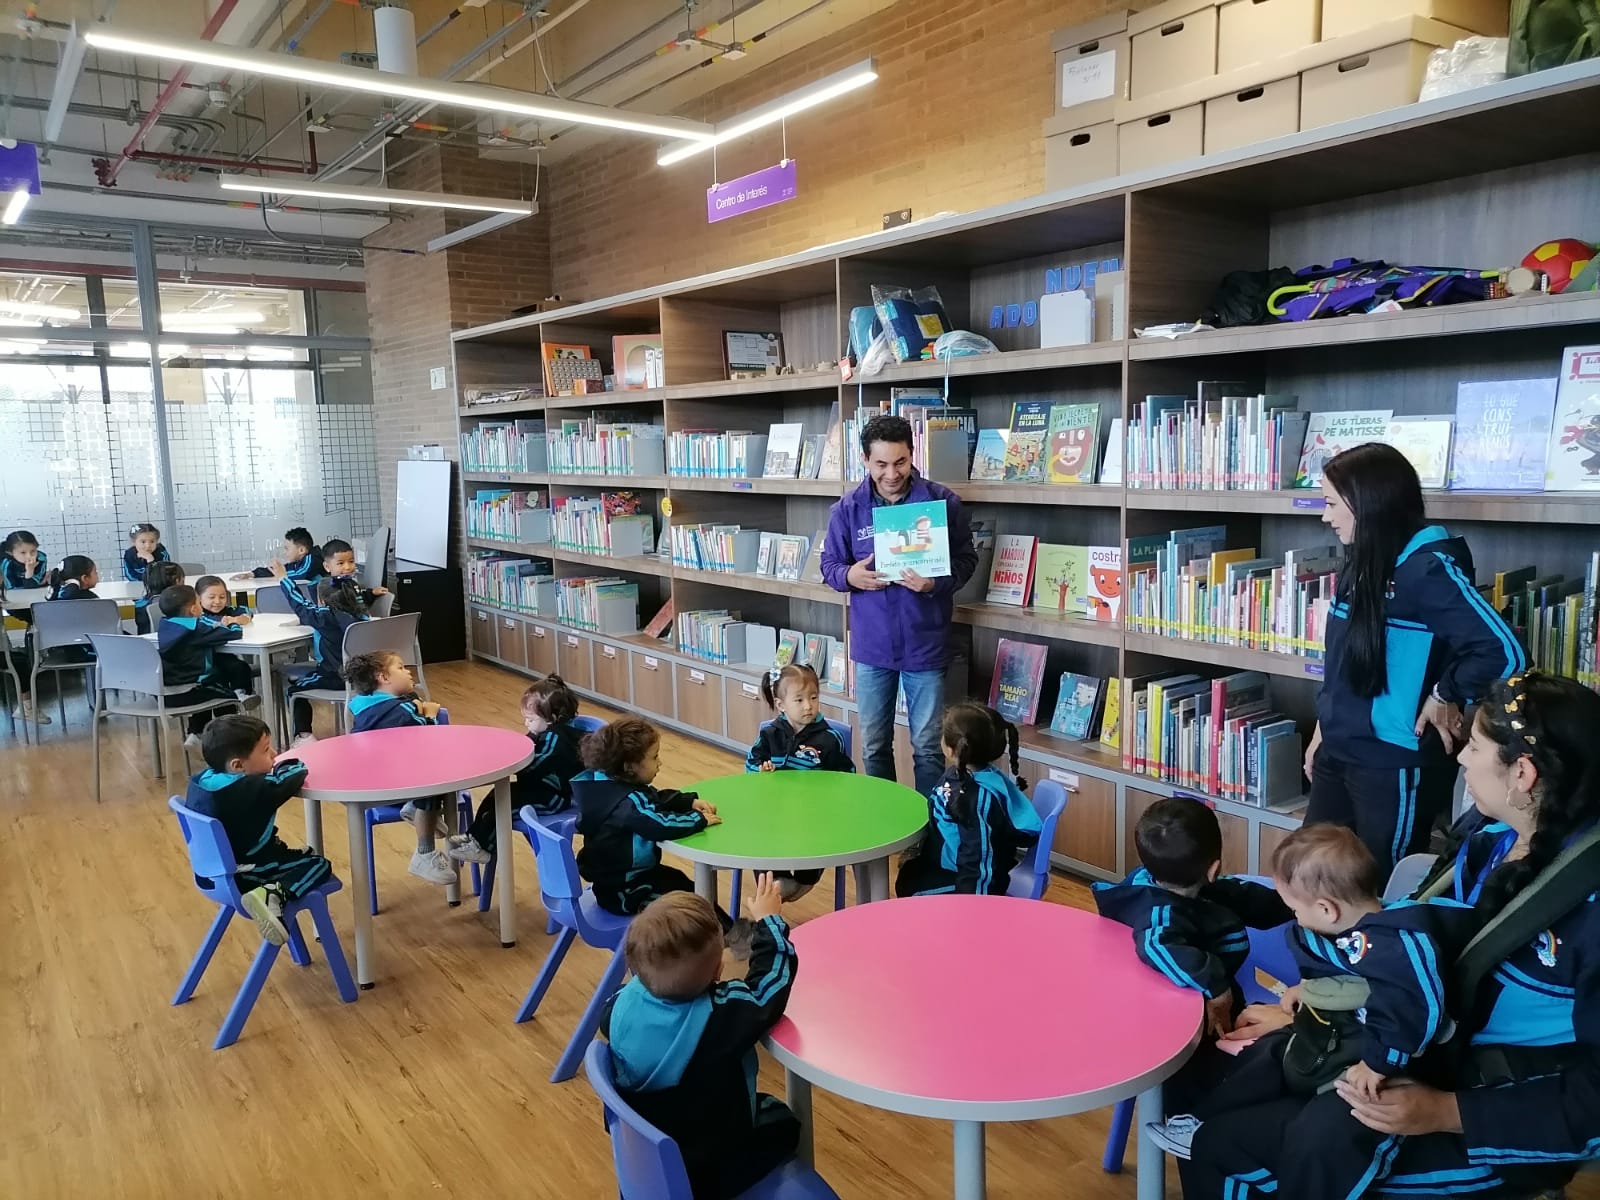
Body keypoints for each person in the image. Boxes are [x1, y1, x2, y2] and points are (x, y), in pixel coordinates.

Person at [1181, 672, 1600, 1200]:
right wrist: (1316, 1004)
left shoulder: (1587, 904)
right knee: (1219, 1111)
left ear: (1523, 773)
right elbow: (1406, 952)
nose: (1461, 759)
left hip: (1487, 1115)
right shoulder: (1489, 838)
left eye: (1472, 745)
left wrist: (1444, 1112)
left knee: (1242, 1147)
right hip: (1415, 1051)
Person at [1154, 824, 1475, 1176]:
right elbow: (1347, 979)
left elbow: (1413, 1012)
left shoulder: (1399, 947)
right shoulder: (1353, 930)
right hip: (1329, 1035)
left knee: (1276, 1066)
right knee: (1263, 1057)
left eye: (1294, 909)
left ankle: (1207, 1131)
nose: (1294, 916)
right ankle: (1201, 1121)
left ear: (1326, 909)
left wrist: (1379, 1064)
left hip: (1368, 1060)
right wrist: (1304, 991)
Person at [1306, 442, 1524, 879]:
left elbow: (1505, 653)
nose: (1325, 516)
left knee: (1379, 886)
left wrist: (1445, 693)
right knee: (1312, 874)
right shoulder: (1362, 558)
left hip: (1393, 764)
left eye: (1331, 503)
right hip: (1338, 749)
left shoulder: (1429, 571)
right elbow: (1346, 664)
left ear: (1367, 503)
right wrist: (1320, 732)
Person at [600, 876, 799, 1199]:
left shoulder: (620, 1005)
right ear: (718, 971)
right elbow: (769, 988)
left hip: (648, 1166)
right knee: (785, 1122)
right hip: (707, 1171)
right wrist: (770, 922)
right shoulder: (717, 1020)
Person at [1093, 796, 1292, 1117]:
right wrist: (1217, 987)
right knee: (1215, 1079)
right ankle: (1192, 1120)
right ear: (1214, 867)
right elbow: (1156, 945)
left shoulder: (1183, 884)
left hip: (1185, 1010)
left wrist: (1296, 902)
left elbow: (1243, 898)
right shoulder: (1157, 913)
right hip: (1171, 1027)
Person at [821, 414, 976, 795]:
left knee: (927, 748)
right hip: (873, 647)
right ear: (865, 460)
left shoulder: (942, 502)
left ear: (912, 454)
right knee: (874, 746)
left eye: (900, 462)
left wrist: (934, 583)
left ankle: (924, 836)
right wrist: (849, 577)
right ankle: (883, 829)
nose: (892, 473)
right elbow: (829, 565)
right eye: (881, 464)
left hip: (926, 644)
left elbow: (966, 560)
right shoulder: (847, 509)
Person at [185, 714, 332, 946]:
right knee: (318, 864)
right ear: (237, 766)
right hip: (246, 874)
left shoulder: (202, 780)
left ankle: (272, 892)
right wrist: (287, 763)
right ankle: (271, 893)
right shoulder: (247, 789)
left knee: (301, 855)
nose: (273, 753)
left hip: (214, 872)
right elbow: (291, 775)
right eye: (265, 750)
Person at [573, 717, 721, 917]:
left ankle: (726, 932)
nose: (659, 762)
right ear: (629, 766)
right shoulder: (628, 803)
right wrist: (697, 819)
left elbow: (651, 799)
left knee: (683, 884)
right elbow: (658, 824)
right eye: (654, 757)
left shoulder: (606, 785)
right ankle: (721, 935)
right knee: (690, 903)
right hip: (626, 892)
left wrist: (687, 802)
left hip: (616, 883)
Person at [895, 702, 1041, 897]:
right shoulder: (967, 774)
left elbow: (979, 856)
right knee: (909, 874)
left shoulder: (977, 797)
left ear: (950, 748)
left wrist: (971, 906)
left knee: (910, 888)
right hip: (952, 862)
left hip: (973, 880)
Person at [447, 674, 586, 868]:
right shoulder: (544, 731)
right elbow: (524, 747)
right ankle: (474, 836)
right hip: (536, 789)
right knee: (497, 796)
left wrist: (509, 761)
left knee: (505, 805)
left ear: (552, 718)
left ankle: (483, 847)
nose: (526, 724)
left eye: (530, 719)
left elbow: (533, 766)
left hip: (554, 798)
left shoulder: (557, 739)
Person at [343, 650, 457, 886]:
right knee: (438, 773)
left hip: (371, 786)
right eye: (402, 668)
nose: (409, 672)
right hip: (400, 784)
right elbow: (430, 738)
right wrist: (431, 715)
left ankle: (420, 811)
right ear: (384, 677)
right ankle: (423, 851)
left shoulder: (362, 709)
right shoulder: (400, 711)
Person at [743, 662, 853, 900]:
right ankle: (774, 884)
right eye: (800, 700)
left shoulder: (830, 739)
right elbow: (751, 763)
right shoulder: (769, 734)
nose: (808, 706)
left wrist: (827, 788)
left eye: (813, 698)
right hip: (775, 812)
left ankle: (803, 882)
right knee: (760, 833)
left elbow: (846, 777)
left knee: (817, 834)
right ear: (781, 705)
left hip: (814, 815)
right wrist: (761, 771)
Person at [272, 561, 369, 747]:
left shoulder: (325, 616)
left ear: (323, 601)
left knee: (293, 690)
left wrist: (283, 579)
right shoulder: (363, 617)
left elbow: (300, 604)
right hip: (366, 678)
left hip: (335, 677)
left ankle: (304, 736)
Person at [156, 584, 252, 746]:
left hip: (161, 694)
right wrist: (233, 622)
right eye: (200, 603)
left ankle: (197, 732)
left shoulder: (166, 624)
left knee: (213, 681)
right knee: (228, 696)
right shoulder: (195, 629)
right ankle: (230, 739)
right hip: (187, 691)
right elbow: (234, 633)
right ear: (193, 609)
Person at [0, 529, 49, 723]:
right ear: (11, 554)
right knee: (19, 661)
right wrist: (29, 576)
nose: (29, 557)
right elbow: (18, 589)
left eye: (33, 551)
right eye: (23, 553)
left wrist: (31, 578)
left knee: (19, 658)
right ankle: (27, 708)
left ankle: (27, 708)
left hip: (30, 606)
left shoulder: (41, 559)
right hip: (20, 607)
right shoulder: (7, 565)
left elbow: (36, 587)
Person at [121, 522, 171, 635]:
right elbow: (130, 576)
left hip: (160, 593)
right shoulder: (129, 554)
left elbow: (163, 575)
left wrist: (150, 560)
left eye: (152, 541)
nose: (148, 546)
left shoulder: (161, 552)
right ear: (134, 542)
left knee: (160, 619)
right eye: (143, 542)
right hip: (140, 594)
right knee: (142, 619)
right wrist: (147, 578)